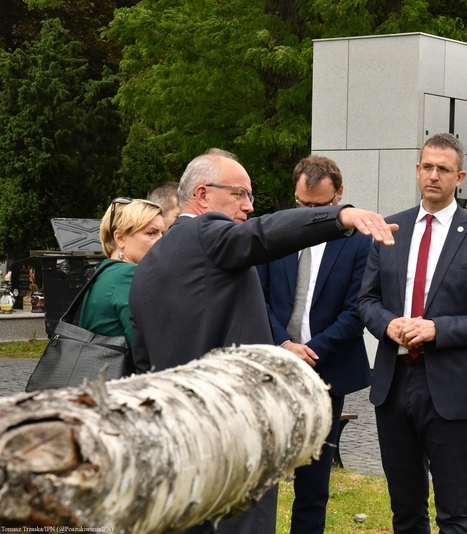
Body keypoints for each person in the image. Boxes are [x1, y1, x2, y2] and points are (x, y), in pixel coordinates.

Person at [128, 148, 396, 534]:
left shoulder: (148, 266)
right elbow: (262, 233)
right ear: (202, 195)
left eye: (250, 196)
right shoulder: (207, 234)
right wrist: (339, 217)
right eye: (239, 193)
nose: (249, 206)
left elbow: (143, 361)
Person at [358, 133, 467, 534]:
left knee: (455, 513)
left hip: (449, 388)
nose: (433, 175)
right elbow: (367, 300)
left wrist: (436, 329)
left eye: (443, 169)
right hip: (393, 384)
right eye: (427, 166)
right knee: (405, 509)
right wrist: (388, 324)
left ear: (460, 177)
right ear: (417, 170)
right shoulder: (391, 229)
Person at [257, 155, 371, 534]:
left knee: (312, 483)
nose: (309, 214)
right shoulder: (276, 231)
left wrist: (311, 352)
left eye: (319, 206)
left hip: (326, 371)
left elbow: (357, 310)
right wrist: (283, 343)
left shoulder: (359, 242)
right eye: (302, 205)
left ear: (339, 195)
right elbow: (258, 295)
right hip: (272, 366)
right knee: (259, 476)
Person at [79, 198, 165, 349]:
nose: (162, 241)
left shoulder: (105, 271)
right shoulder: (129, 275)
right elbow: (147, 346)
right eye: (151, 233)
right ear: (120, 238)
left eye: (163, 233)